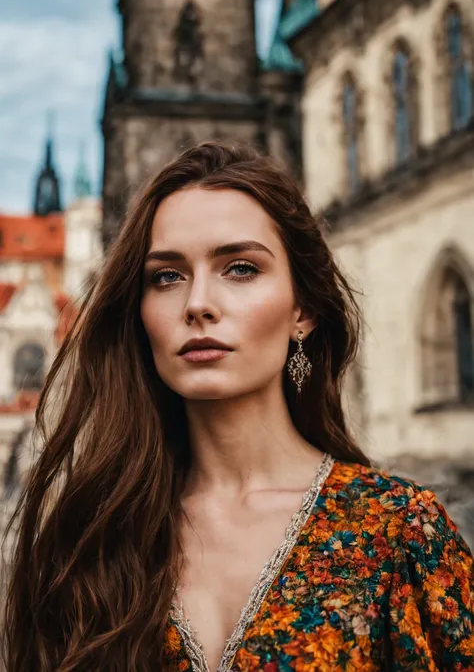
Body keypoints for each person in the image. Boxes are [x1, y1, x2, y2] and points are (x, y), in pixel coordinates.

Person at [2, 142, 473, 672]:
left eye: (241, 268)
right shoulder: (87, 538)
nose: (198, 303)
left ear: (304, 309)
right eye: (167, 276)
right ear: (139, 313)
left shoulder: (399, 532)